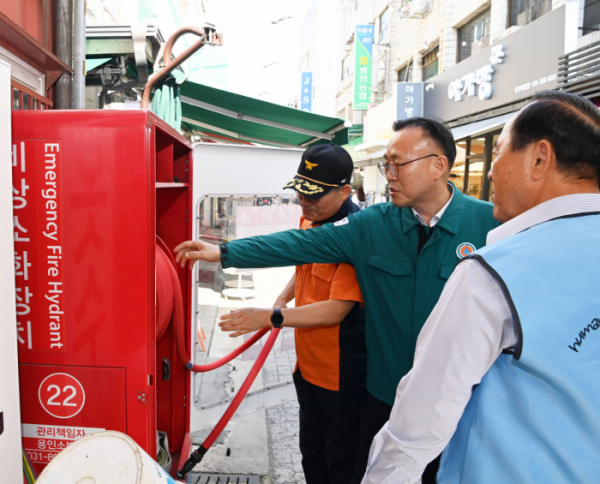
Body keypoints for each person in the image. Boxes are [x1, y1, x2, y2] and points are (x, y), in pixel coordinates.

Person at [174, 118, 500, 484]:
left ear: (439, 165)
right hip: (384, 400)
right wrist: (223, 252)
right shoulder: (373, 225)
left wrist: (272, 316)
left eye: (398, 163)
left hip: (455, 405)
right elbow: (299, 246)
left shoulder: (490, 225)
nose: (389, 174)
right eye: (385, 164)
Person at [362, 91, 600, 484]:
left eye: (501, 151)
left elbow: (416, 428)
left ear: (539, 159)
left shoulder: (495, 272)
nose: (489, 171)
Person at [225, 144, 368, 484]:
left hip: (341, 375)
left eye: (315, 195)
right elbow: (305, 265)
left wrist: (270, 317)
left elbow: (336, 309)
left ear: (344, 191)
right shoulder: (310, 219)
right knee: (312, 456)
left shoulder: (356, 234)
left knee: (340, 464)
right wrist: (282, 297)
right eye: (301, 192)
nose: (305, 202)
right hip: (307, 367)